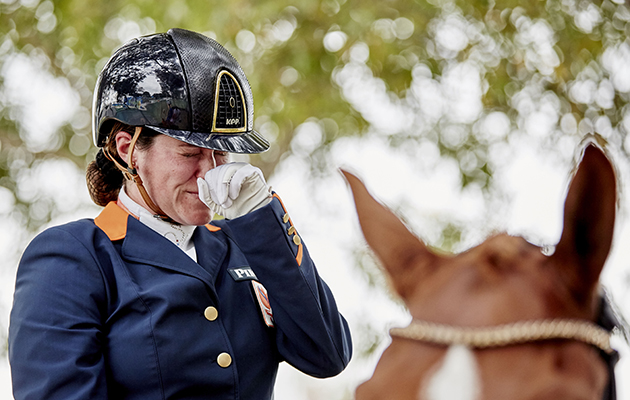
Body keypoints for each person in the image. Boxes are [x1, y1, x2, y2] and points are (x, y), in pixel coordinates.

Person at [8, 28, 352, 400]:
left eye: (222, 154)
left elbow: (327, 354)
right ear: (129, 150)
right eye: (190, 154)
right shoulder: (71, 256)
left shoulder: (245, 243)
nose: (210, 173)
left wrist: (262, 218)